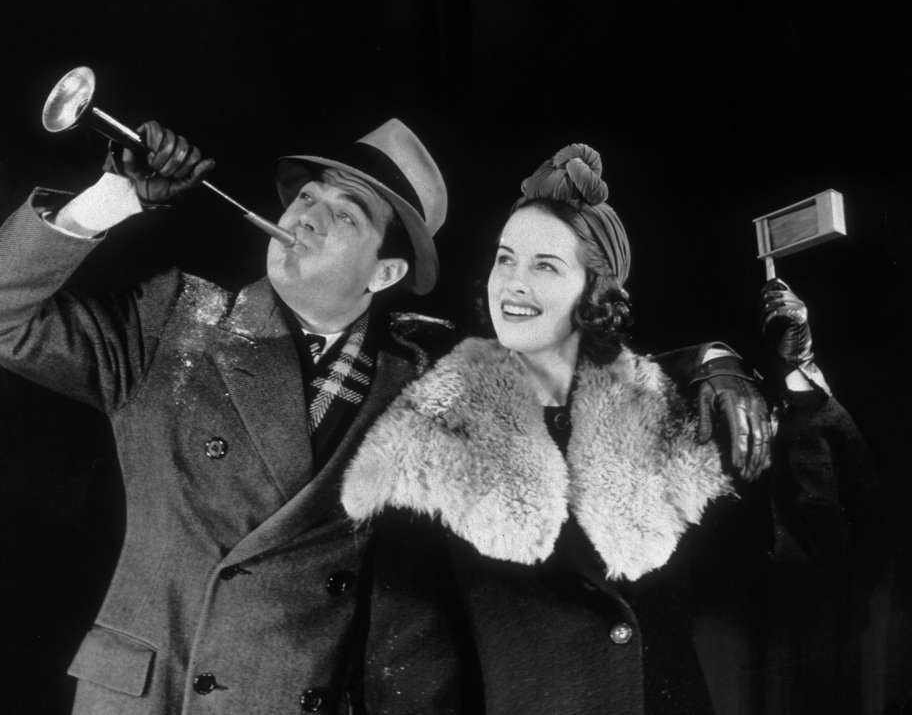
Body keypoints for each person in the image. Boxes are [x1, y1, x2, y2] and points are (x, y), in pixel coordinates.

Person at [0, 125, 768, 715]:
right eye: (305, 196)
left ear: (387, 269)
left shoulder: (431, 378)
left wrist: (716, 360)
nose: (304, 215)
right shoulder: (173, 323)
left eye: (344, 213)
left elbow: (577, 345)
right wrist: (113, 197)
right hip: (157, 696)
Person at [341, 144, 877, 714]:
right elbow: (408, 679)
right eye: (505, 258)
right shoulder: (428, 438)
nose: (513, 283)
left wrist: (795, 376)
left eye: (545, 265)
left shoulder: (670, 417)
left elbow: (813, 551)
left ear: (594, 292)